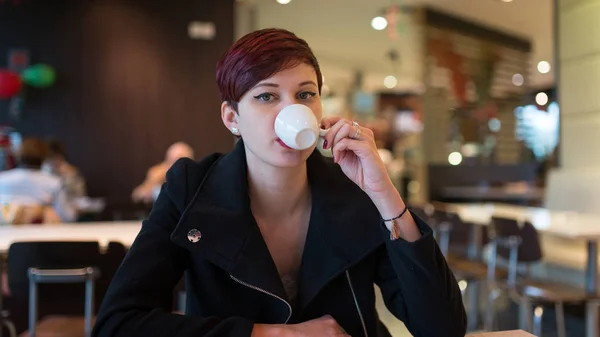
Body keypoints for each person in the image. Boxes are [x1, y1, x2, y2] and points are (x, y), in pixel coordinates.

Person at [93, 28, 466, 337]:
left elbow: (443, 329)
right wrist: (271, 334)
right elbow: (118, 324)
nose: (291, 111)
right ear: (232, 118)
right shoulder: (192, 189)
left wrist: (385, 195)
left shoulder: (355, 191)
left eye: (305, 95)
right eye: (266, 96)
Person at [0, 138, 77, 223]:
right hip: (40, 234)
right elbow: (67, 216)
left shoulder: (2, 178)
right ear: (44, 157)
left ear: (18, 155)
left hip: (4, 233)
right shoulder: (54, 182)